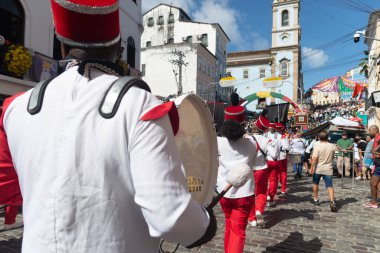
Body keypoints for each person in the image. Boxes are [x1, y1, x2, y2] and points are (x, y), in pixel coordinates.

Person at [0, 1, 216, 251]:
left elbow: (6, 188)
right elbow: (170, 215)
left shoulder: (16, 107)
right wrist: (205, 224)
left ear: (61, 44)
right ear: (118, 48)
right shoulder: (142, 105)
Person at [217, 120, 257, 252]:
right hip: (244, 193)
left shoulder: (218, 142)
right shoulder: (251, 144)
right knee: (238, 231)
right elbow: (253, 161)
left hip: (223, 192)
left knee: (229, 224)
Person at [247, 118, 270, 228]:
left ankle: (252, 219)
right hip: (262, 168)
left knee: (250, 193)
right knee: (261, 192)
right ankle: (259, 211)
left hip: (250, 169)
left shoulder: (246, 139)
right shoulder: (266, 140)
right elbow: (271, 154)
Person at [310, 131, 338, 212]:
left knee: (315, 184)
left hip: (319, 168)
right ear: (327, 137)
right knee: (329, 186)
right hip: (328, 168)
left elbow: (314, 159)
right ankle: (332, 201)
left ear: (319, 138)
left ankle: (316, 199)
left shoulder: (317, 146)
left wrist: (311, 167)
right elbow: (333, 156)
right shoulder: (332, 146)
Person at [264, 123, 281, 207]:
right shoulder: (279, 136)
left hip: (265, 160)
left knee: (265, 180)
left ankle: (266, 194)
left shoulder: (264, 135)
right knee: (273, 180)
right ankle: (271, 198)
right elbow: (286, 146)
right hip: (274, 160)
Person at [363, 125, 380, 209]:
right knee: (374, 183)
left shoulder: (379, 138)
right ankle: (374, 200)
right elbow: (374, 151)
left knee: (373, 183)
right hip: (377, 164)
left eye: (370, 130)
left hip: (379, 165)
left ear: (375, 131)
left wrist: (375, 153)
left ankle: (374, 202)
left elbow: (375, 152)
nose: (369, 132)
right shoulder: (376, 139)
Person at [275, 122, 290, 194]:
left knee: (275, 173)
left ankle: (275, 187)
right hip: (282, 156)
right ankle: (283, 188)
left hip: (273, 157)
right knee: (283, 172)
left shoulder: (270, 136)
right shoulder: (283, 137)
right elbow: (287, 147)